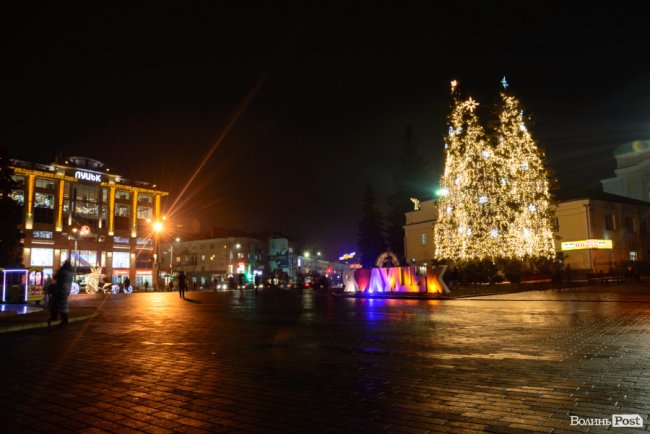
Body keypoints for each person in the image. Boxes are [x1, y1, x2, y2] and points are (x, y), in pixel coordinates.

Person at [49, 260, 74, 326]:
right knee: (63, 305)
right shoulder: (70, 272)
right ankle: (64, 320)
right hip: (66, 290)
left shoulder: (63, 271)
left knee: (54, 302)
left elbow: (55, 277)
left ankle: (57, 318)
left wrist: (57, 270)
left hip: (60, 289)